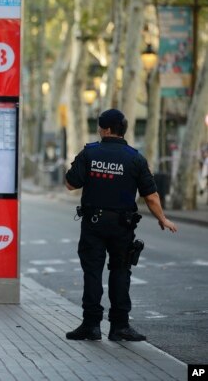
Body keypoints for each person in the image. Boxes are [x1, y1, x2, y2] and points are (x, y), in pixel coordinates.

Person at [64, 109, 177, 342]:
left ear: (105, 130)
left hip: (93, 223)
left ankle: (91, 326)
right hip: (122, 226)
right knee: (121, 272)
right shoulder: (135, 158)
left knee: (93, 273)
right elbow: (151, 196)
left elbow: (70, 184)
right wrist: (162, 219)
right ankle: (120, 327)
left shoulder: (90, 153)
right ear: (122, 130)